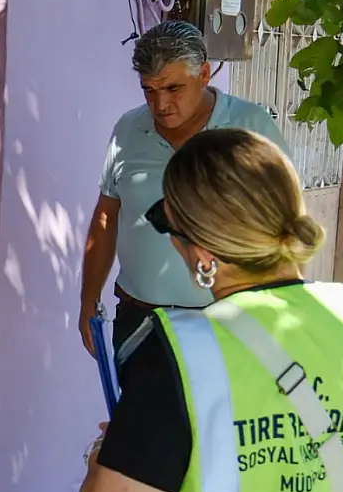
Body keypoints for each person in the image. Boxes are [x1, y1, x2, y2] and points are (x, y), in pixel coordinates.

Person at [77, 129, 343, 492]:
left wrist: (100, 462)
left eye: (170, 228)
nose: (173, 245)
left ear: (204, 254)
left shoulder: (181, 352)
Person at [78, 20, 292, 357]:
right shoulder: (128, 129)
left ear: (204, 75)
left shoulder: (251, 126)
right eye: (149, 89)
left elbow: (285, 223)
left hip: (228, 321)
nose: (160, 104)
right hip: (140, 320)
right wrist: (88, 300)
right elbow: (107, 218)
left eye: (173, 89)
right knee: (141, 412)